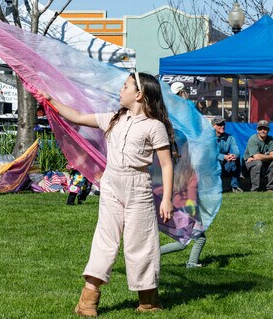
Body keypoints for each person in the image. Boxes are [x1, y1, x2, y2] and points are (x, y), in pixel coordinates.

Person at [39, 71, 174, 316]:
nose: (121, 90)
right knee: (105, 239)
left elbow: (166, 164)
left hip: (139, 189)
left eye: (126, 86)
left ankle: (148, 301)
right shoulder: (113, 118)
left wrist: (166, 199)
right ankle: (88, 301)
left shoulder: (155, 127)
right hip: (111, 186)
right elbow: (77, 116)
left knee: (141, 243)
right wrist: (51, 99)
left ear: (140, 95)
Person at [243, 120, 273, 192]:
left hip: (264, 163)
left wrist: (269, 157)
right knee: (257, 163)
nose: (263, 131)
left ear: (268, 130)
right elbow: (256, 157)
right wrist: (271, 157)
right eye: (260, 129)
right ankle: (254, 189)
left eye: (265, 129)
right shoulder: (253, 139)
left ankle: (271, 188)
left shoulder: (270, 139)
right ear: (257, 130)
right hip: (248, 165)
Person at [212, 116, 242, 193]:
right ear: (213, 126)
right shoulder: (208, 137)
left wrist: (234, 156)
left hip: (225, 164)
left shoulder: (230, 137)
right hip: (212, 165)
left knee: (237, 160)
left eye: (223, 124)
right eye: (219, 124)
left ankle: (235, 186)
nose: (222, 126)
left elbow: (236, 150)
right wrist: (223, 157)